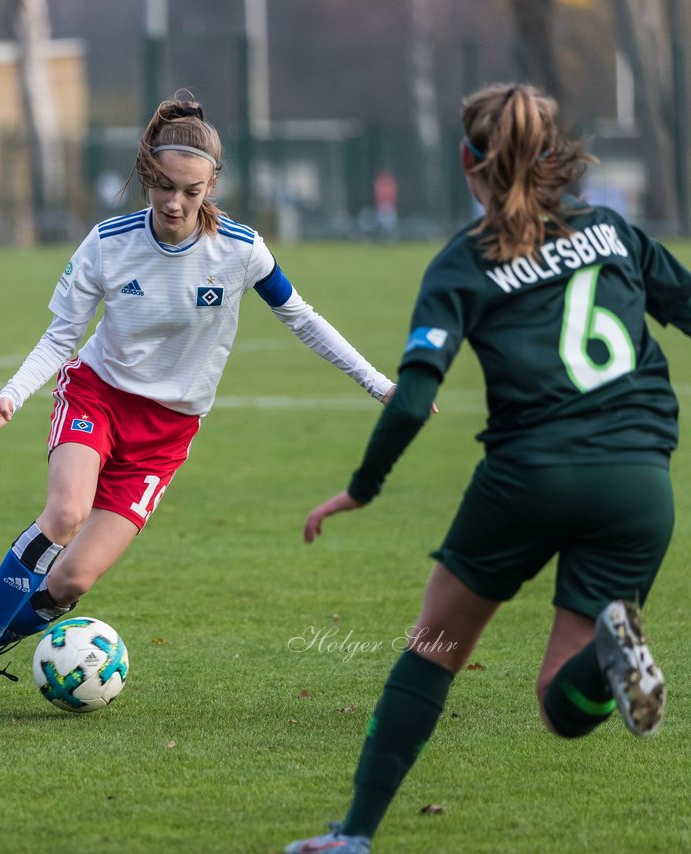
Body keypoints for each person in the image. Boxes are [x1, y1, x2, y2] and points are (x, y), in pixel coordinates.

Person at [286, 82, 691, 853]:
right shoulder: (613, 230)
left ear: (468, 162)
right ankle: (611, 654)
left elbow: (409, 403)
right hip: (639, 484)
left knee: (434, 649)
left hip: (528, 480)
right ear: (552, 159)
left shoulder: (463, 263)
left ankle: (353, 836)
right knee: (559, 702)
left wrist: (360, 490)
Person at [0, 91, 396, 717]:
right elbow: (63, 336)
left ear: (212, 184)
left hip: (166, 435)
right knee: (64, 514)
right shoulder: (108, 243)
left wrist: (379, 383)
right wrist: (11, 395)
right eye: (164, 186)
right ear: (146, 177)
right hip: (98, 397)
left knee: (70, 582)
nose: (175, 202)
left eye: (191, 191)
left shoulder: (243, 250)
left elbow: (302, 318)